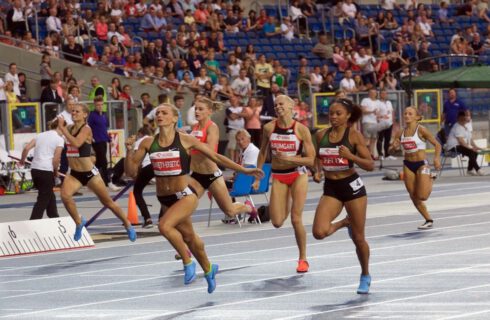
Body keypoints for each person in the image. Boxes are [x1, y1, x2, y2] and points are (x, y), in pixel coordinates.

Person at [124, 103, 263, 293]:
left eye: (164, 112)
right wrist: (129, 150)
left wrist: (245, 170)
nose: (159, 115)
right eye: (157, 113)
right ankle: (208, 269)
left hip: (184, 196)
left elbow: (216, 157)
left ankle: (188, 262)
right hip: (165, 198)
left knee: (164, 226)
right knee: (189, 237)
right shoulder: (148, 142)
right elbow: (131, 172)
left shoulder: (186, 139)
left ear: (174, 118)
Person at [312, 98, 374, 294]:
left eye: (338, 113)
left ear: (347, 116)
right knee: (319, 232)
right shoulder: (321, 134)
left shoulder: (354, 136)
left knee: (359, 238)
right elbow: (316, 158)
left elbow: (370, 165)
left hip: (352, 187)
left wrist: (351, 157)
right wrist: (317, 171)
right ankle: (344, 223)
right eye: (331, 113)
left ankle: (365, 274)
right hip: (331, 187)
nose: (333, 117)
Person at [254, 95, 316, 273]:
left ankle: (303, 258)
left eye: (281, 104)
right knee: (277, 222)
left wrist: (290, 158)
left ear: (291, 106)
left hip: (297, 175)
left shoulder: (301, 129)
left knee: (296, 219)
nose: (278, 107)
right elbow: (262, 152)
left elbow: (311, 159)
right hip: (279, 176)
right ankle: (288, 199)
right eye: (275, 105)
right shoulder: (268, 128)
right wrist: (258, 176)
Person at [57, 103, 136, 241]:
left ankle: (127, 223)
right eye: (73, 111)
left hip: (89, 173)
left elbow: (76, 143)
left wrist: (63, 130)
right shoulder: (69, 128)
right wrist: (58, 124)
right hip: (74, 173)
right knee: (65, 196)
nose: (74, 113)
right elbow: (57, 130)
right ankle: (78, 222)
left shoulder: (86, 129)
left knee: (108, 203)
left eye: (77, 111)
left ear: (85, 114)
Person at [190, 97, 258, 222]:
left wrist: (192, 143)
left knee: (230, 211)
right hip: (196, 175)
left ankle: (249, 208)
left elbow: (210, 149)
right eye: (196, 109)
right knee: (186, 203)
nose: (197, 112)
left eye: (200, 109)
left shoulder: (212, 127)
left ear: (209, 111)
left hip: (211, 175)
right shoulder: (194, 127)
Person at [389, 107, 442, 229]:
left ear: (417, 117)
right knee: (413, 196)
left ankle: (431, 178)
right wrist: (393, 147)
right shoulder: (400, 132)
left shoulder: (421, 130)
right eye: (405, 113)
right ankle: (428, 219)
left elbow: (437, 145)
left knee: (423, 196)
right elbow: (390, 151)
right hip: (408, 165)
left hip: (421, 164)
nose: (407, 115)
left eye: (410, 113)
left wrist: (436, 159)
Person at [110, 126, 157, 227]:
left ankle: (147, 218)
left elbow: (134, 160)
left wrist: (134, 174)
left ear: (140, 133)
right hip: (158, 166)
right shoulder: (154, 139)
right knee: (164, 192)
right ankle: (163, 217)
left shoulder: (140, 141)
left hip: (148, 167)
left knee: (137, 192)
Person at [20, 120, 64, 220]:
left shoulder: (40, 135)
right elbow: (56, 159)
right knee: (43, 198)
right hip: (46, 170)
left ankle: (54, 216)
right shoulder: (59, 139)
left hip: (35, 170)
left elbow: (26, 148)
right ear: (60, 127)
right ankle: (33, 221)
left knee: (49, 194)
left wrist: (22, 160)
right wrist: (56, 172)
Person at [88, 96, 116, 189]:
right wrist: (91, 137)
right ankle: (108, 182)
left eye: (101, 104)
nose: (99, 106)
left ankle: (88, 177)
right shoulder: (92, 115)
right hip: (96, 141)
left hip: (103, 140)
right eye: (97, 105)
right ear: (94, 105)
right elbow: (88, 128)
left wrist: (109, 139)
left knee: (99, 163)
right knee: (104, 162)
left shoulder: (104, 115)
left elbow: (104, 129)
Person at [446, 111, 485, 176]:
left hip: (460, 146)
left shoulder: (466, 127)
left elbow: (470, 139)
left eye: (468, 116)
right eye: (466, 116)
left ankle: (470, 170)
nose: (467, 118)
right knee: (471, 151)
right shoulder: (457, 127)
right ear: (460, 118)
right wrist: (471, 148)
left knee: (475, 152)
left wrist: (475, 146)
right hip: (453, 147)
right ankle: (478, 169)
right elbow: (461, 141)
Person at [376, 89, 396, 160]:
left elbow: (392, 112)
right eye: (382, 93)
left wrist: (393, 121)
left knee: (388, 139)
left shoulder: (389, 102)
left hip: (389, 123)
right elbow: (376, 113)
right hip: (381, 123)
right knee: (380, 139)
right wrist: (381, 117)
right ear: (380, 94)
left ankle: (387, 155)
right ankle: (380, 155)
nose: (384, 95)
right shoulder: (377, 102)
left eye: (385, 93)